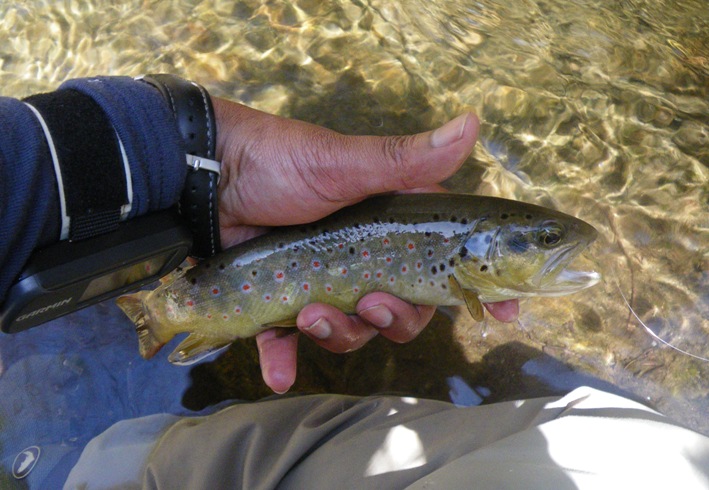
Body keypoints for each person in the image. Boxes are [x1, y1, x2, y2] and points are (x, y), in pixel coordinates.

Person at [2, 77, 708, 489]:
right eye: (545, 241)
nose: (560, 248)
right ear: (479, 252)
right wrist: (185, 156)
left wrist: (200, 162)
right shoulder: (463, 270)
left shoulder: (465, 269)